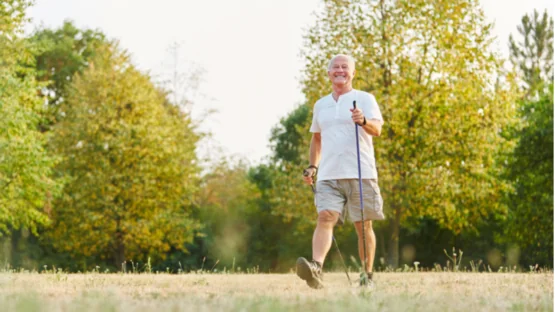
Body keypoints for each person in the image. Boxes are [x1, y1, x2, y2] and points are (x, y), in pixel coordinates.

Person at [296, 54, 385, 289]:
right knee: (325, 216)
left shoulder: (364, 99)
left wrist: (363, 120)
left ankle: (367, 276)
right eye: (335, 67)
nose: (340, 70)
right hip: (328, 174)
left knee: (363, 225)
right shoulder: (321, 105)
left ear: (353, 73)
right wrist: (313, 166)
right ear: (329, 73)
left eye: (345, 67)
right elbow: (317, 138)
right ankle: (316, 268)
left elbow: (377, 129)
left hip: (361, 172)